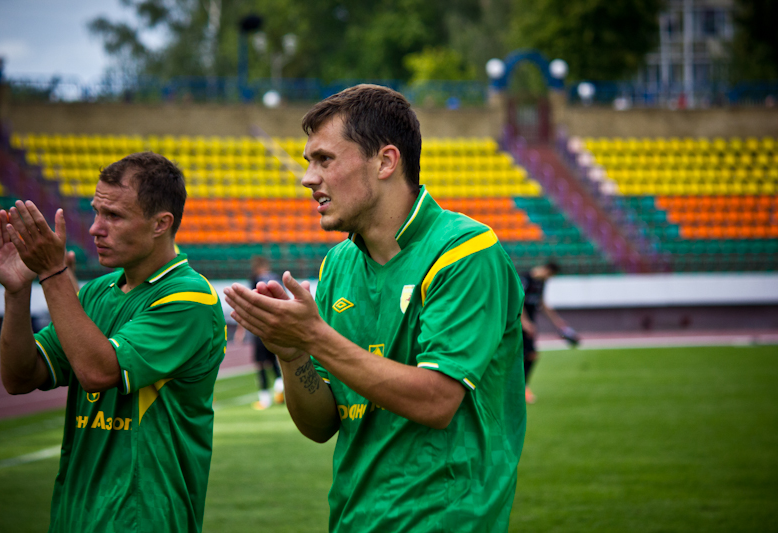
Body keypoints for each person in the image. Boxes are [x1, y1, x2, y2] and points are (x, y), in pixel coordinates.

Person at [225, 84, 526, 532]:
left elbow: (437, 400)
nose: (307, 178)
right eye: (309, 162)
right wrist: (292, 353)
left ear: (385, 161)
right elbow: (321, 425)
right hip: (352, 520)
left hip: (447, 521)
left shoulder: (466, 252)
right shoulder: (338, 264)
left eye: (324, 159)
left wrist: (314, 336)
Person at [0, 152, 226, 533]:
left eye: (113, 216)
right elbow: (21, 377)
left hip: (142, 518)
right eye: (97, 212)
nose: (95, 228)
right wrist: (17, 292)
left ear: (161, 224)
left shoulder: (189, 298)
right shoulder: (97, 292)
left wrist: (53, 272)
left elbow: (97, 372)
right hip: (75, 513)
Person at [519, 261, 579, 404]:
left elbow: (541, 303)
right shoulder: (525, 279)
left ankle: (521, 387)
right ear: (547, 271)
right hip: (520, 324)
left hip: (530, 325)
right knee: (528, 355)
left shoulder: (541, 283)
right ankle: (521, 388)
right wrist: (524, 321)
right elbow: (518, 301)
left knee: (529, 355)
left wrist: (557, 321)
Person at [250, 256, 284, 409]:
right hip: (275, 325)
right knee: (273, 360)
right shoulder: (275, 279)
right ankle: (280, 386)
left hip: (259, 325)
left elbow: (251, 301)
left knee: (260, 364)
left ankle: (265, 399)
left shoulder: (255, 279)